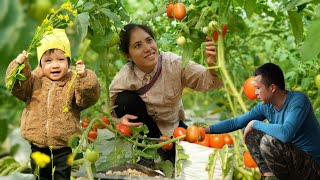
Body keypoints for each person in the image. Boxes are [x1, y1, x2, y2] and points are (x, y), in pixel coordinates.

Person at [109, 23, 223, 165]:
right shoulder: (125, 77)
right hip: (146, 132)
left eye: (149, 40)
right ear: (128, 55)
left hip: (173, 130)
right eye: (137, 45)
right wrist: (119, 122)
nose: (147, 48)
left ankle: (166, 154)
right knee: (125, 99)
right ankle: (146, 154)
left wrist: (213, 66)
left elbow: (207, 81)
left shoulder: (173, 64)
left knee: (193, 162)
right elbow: (108, 112)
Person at [5, 29, 101, 179]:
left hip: (64, 143)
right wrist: (19, 67)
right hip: (37, 142)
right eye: (48, 61)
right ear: (40, 64)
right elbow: (17, 87)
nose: (55, 65)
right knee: (40, 174)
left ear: (69, 61)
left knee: (62, 175)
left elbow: (87, 99)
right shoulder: (34, 79)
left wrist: (85, 78)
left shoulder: (73, 80)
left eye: (61, 60)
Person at [205, 63, 320, 180]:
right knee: (251, 133)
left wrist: (255, 123)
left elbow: (286, 133)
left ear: (272, 88)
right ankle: (268, 176)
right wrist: (204, 131)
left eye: (258, 88)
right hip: (292, 161)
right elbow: (236, 122)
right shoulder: (266, 106)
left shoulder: (298, 100)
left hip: (313, 167)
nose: (255, 93)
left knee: (268, 140)